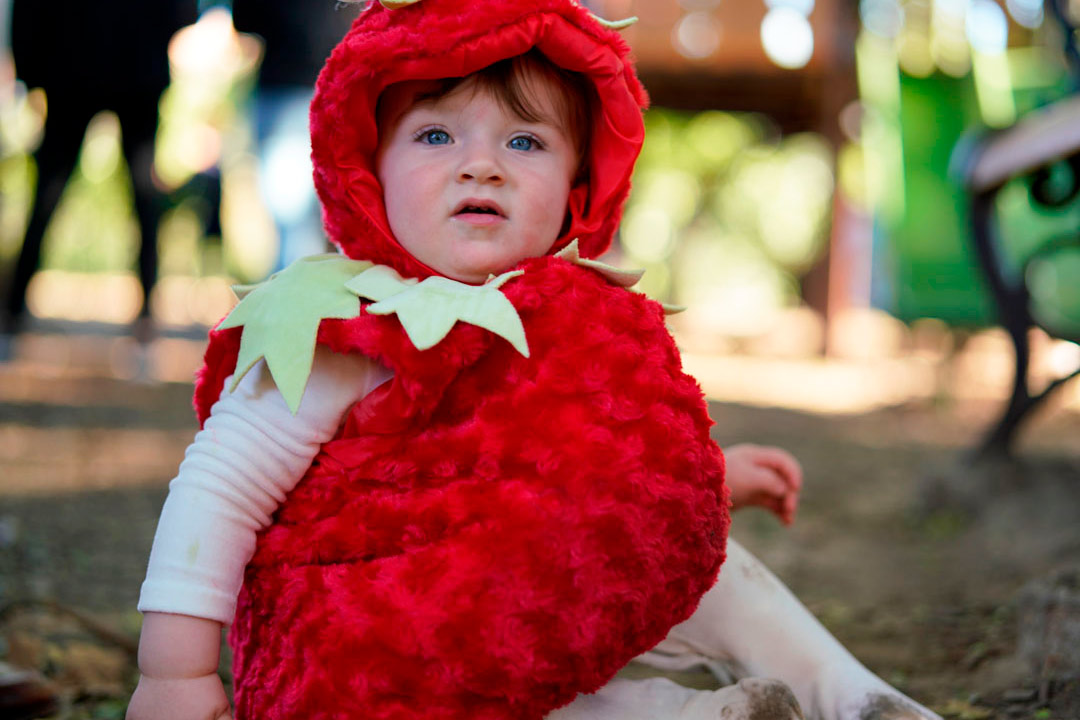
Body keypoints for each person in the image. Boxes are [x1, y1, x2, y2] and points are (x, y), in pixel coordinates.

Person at [127, 2, 943, 719]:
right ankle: (685, 715)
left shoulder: (570, 325)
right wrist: (177, 671)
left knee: (723, 568)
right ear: (369, 165)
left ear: (577, 184)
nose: (481, 164)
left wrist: (701, 480)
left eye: (525, 140)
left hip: (547, 602)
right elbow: (216, 493)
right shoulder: (345, 325)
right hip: (399, 633)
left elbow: (576, 477)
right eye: (436, 134)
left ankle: (856, 697)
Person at [3, 0, 198, 341]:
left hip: (87, 68)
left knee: (134, 194)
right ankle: (14, 311)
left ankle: (14, 314)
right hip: (113, 69)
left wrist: (31, 73)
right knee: (61, 194)